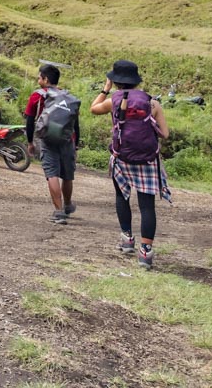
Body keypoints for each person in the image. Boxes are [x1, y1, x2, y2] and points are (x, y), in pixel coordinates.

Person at [90, 59, 171, 270]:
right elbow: (166, 134)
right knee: (146, 206)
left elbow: (93, 108)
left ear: (115, 81)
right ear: (136, 80)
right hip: (147, 160)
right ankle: (145, 253)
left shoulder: (114, 100)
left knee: (121, 197)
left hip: (122, 158)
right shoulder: (152, 103)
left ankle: (127, 239)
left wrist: (105, 90)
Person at [25, 64, 80, 225]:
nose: (38, 79)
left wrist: (30, 142)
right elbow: (75, 124)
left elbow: (29, 121)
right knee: (67, 175)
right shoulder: (68, 97)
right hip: (67, 139)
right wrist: (75, 144)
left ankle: (59, 211)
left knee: (52, 174)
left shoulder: (37, 96)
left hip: (47, 140)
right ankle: (68, 205)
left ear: (45, 79)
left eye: (39, 77)